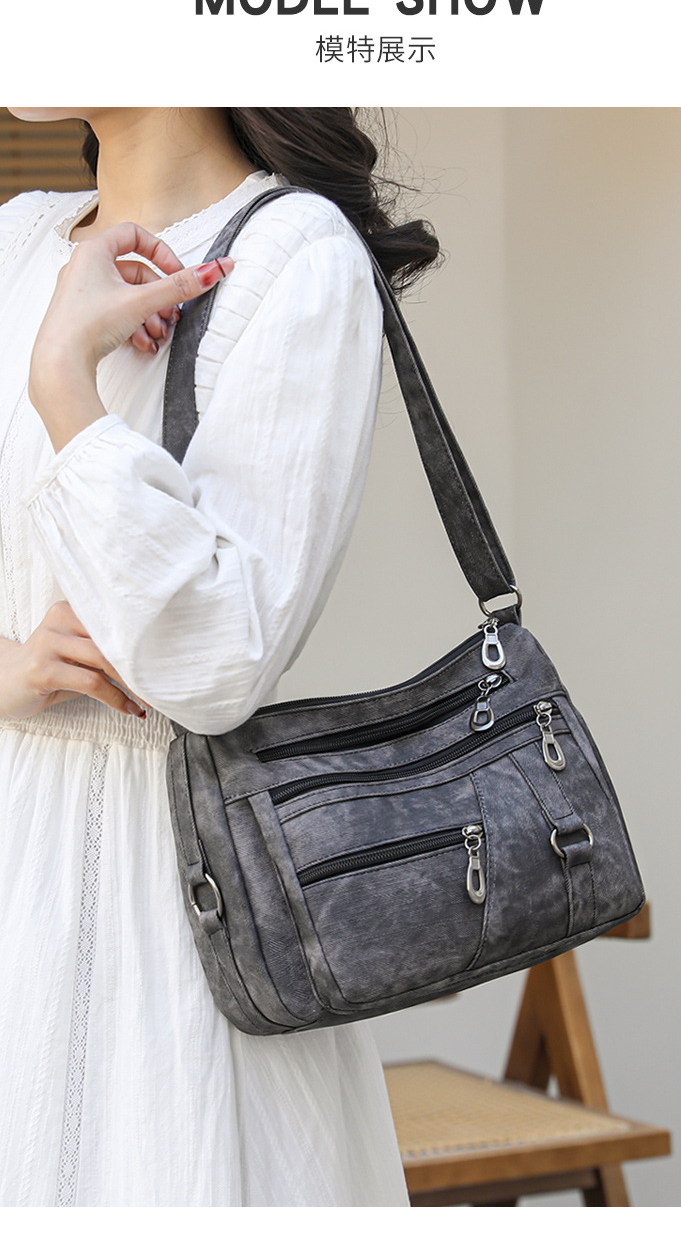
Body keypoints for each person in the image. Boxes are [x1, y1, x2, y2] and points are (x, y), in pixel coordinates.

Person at [0, 107, 438, 1206]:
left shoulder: (295, 257)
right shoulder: (17, 240)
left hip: (181, 929)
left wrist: (64, 380)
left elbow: (215, 663)